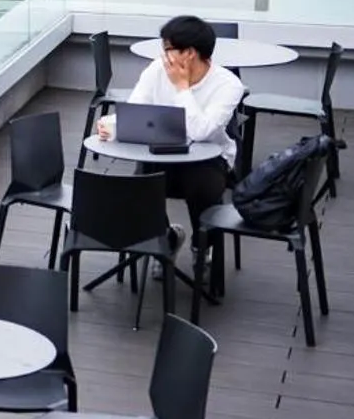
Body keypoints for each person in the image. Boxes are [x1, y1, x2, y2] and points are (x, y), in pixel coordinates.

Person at [97, 14, 245, 248]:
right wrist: (113, 125)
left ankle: (203, 247)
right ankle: (164, 239)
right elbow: (137, 108)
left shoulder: (228, 85)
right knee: (141, 185)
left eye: (168, 49)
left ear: (190, 53)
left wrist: (181, 87)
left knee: (202, 185)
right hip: (162, 152)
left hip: (209, 160)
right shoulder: (156, 70)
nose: (163, 56)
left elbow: (201, 131)